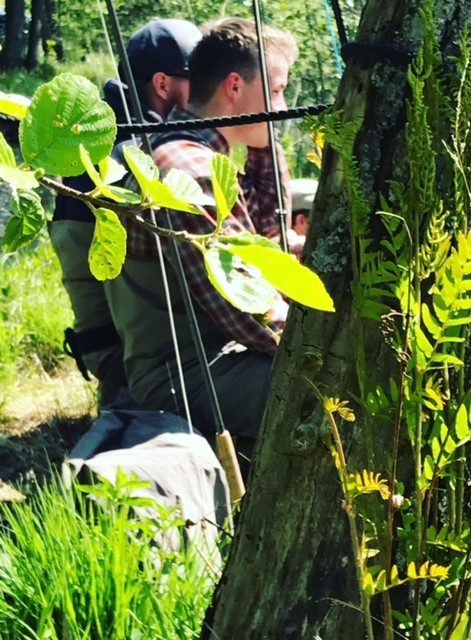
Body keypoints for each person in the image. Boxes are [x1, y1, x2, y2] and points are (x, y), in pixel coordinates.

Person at [105, 18, 299, 460]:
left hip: (220, 355)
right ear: (235, 86)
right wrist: (331, 345)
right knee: (336, 389)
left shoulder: (198, 151)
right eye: (277, 91)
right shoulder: (187, 171)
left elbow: (270, 237)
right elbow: (252, 315)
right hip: (184, 372)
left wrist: (266, 137)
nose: (284, 106)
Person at [49, 19, 202, 408]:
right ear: (163, 84)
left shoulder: (103, 136)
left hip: (109, 345)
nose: (206, 90)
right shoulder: (132, 155)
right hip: (128, 359)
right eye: (197, 79)